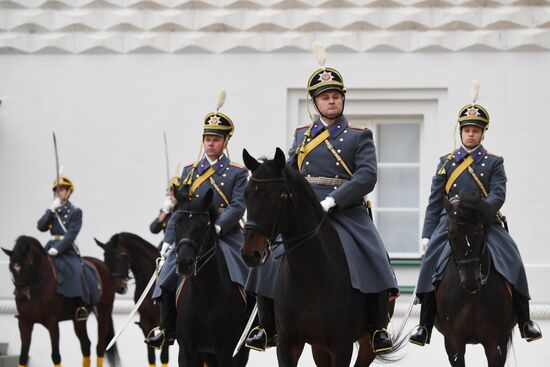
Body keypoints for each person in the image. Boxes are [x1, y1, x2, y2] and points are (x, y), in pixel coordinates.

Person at [250, 43, 399, 353]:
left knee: (371, 254)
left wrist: (334, 200)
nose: (331, 101)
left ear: (342, 99)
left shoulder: (359, 134)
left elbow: (366, 176)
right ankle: (265, 326)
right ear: (315, 102)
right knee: (271, 255)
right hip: (303, 210)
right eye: (325, 97)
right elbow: (289, 171)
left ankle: (376, 326)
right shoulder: (302, 134)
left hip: (344, 210)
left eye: (335, 96)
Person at [409, 81, 542, 346]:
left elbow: (498, 193)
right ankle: (424, 324)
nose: (471, 134)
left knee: (512, 257)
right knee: (430, 264)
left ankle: (525, 319)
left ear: (483, 134)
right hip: (453, 222)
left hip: (484, 221)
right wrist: (427, 234)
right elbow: (435, 201)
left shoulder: (493, 162)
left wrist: (484, 211)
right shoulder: (446, 162)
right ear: (461, 132)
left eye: (476, 130)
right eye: (467, 130)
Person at [145, 91, 250, 349]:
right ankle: (166, 327)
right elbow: (180, 212)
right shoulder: (189, 172)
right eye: (207, 138)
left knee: (249, 269)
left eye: (216, 139)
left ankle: (254, 324)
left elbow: (238, 205)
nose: (211, 143)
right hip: (192, 233)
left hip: (225, 233)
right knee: (168, 271)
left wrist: (218, 226)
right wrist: (169, 241)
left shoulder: (238, 171)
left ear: (225, 142)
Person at [37, 175, 97, 321]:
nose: (59, 192)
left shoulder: (75, 211)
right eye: (57, 190)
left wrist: (58, 249)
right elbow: (41, 226)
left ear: (69, 192)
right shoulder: (53, 211)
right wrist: (50, 210)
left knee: (77, 270)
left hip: (66, 248)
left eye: (62, 189)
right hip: (50, 245)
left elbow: (71, 234)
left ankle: (81, 305)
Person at [149, 176, 180, 243]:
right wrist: (165, 211)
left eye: (175, 190)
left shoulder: (184, 208)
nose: (172, 193)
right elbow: (153, 229)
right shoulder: (167, 208)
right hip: (167, 242)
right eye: (171, 190)